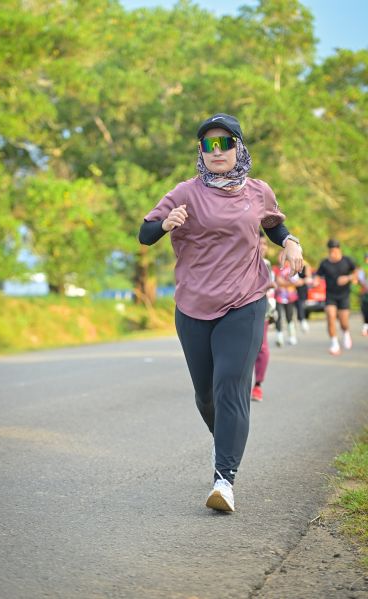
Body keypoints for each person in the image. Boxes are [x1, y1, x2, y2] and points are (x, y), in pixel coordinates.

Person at [138, 113, 303, 512]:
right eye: (209, 144)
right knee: (206, 394)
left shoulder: (258, 191)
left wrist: (291, 243)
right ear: (201, 150)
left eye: (225, 143)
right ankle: (227, 438)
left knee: (231, 384)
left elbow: (274, 225)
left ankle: (224, 480)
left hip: (245, 300)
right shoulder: (185, 192)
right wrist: (166, 224)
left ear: (238, 147)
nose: (217, 151)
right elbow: (145, 234)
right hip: (193, 305)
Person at [315, 239, 356, 355]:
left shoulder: (347, 261)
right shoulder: (325, 263)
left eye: (335, 251)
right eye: (331, 252)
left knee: (344, 322)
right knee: (330, 317)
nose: (333, 254)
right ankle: (334, 343)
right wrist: (315, 281)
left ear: (339, 250)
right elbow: (318, 276)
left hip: (344, 295)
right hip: (330, 295)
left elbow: (356, 273)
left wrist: (348, 278)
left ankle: (346, 333)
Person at [251, 231, 276, 402]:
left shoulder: (267, 264)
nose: (263, 247)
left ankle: (258, 385)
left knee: (261, 347)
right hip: (239, 311)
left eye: (265, 244)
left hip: (263, 311)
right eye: (259, 243)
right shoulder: (241, 262)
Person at [272, 253, 299, 346]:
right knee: (278, 316)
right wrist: (288, 283)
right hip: (278, 297)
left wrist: (284, 283)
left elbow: (296, 281)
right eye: (279, 257)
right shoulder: (276, 269)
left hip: (289, 297)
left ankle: (292, 336)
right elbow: (278, 281)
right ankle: (279, 337)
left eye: (282, 257)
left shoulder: (292, 268)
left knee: (289, 316)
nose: (280, 258)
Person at [295, 263, 313, 333]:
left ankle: (303, 321)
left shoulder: (305, 266)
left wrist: (302, 281)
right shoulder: (289, 267)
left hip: (301, 290)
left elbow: (309, 279)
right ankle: (301, 320)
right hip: (291, 290)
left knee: (300, 305)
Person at [357, 252, 368, 336]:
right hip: (365, 293)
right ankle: (365, 327)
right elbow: (360, 281)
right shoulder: (362, 269)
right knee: (365, 311)